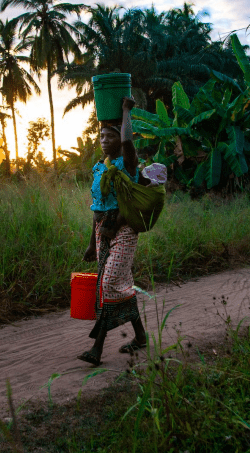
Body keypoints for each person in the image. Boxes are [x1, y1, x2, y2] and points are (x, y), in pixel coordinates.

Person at [78, 95, 147, 366]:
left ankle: (97, 349)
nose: (104, 140)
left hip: (124, 230)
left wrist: (125, 110)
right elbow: (96, 208)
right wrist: (92, 243)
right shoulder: (99, 167)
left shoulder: (126, 164)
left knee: (108, 285)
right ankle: (141, 336)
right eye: (101, 136)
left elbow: (129, 141)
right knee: (118, 284)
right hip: (101, 231)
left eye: (109, 136)